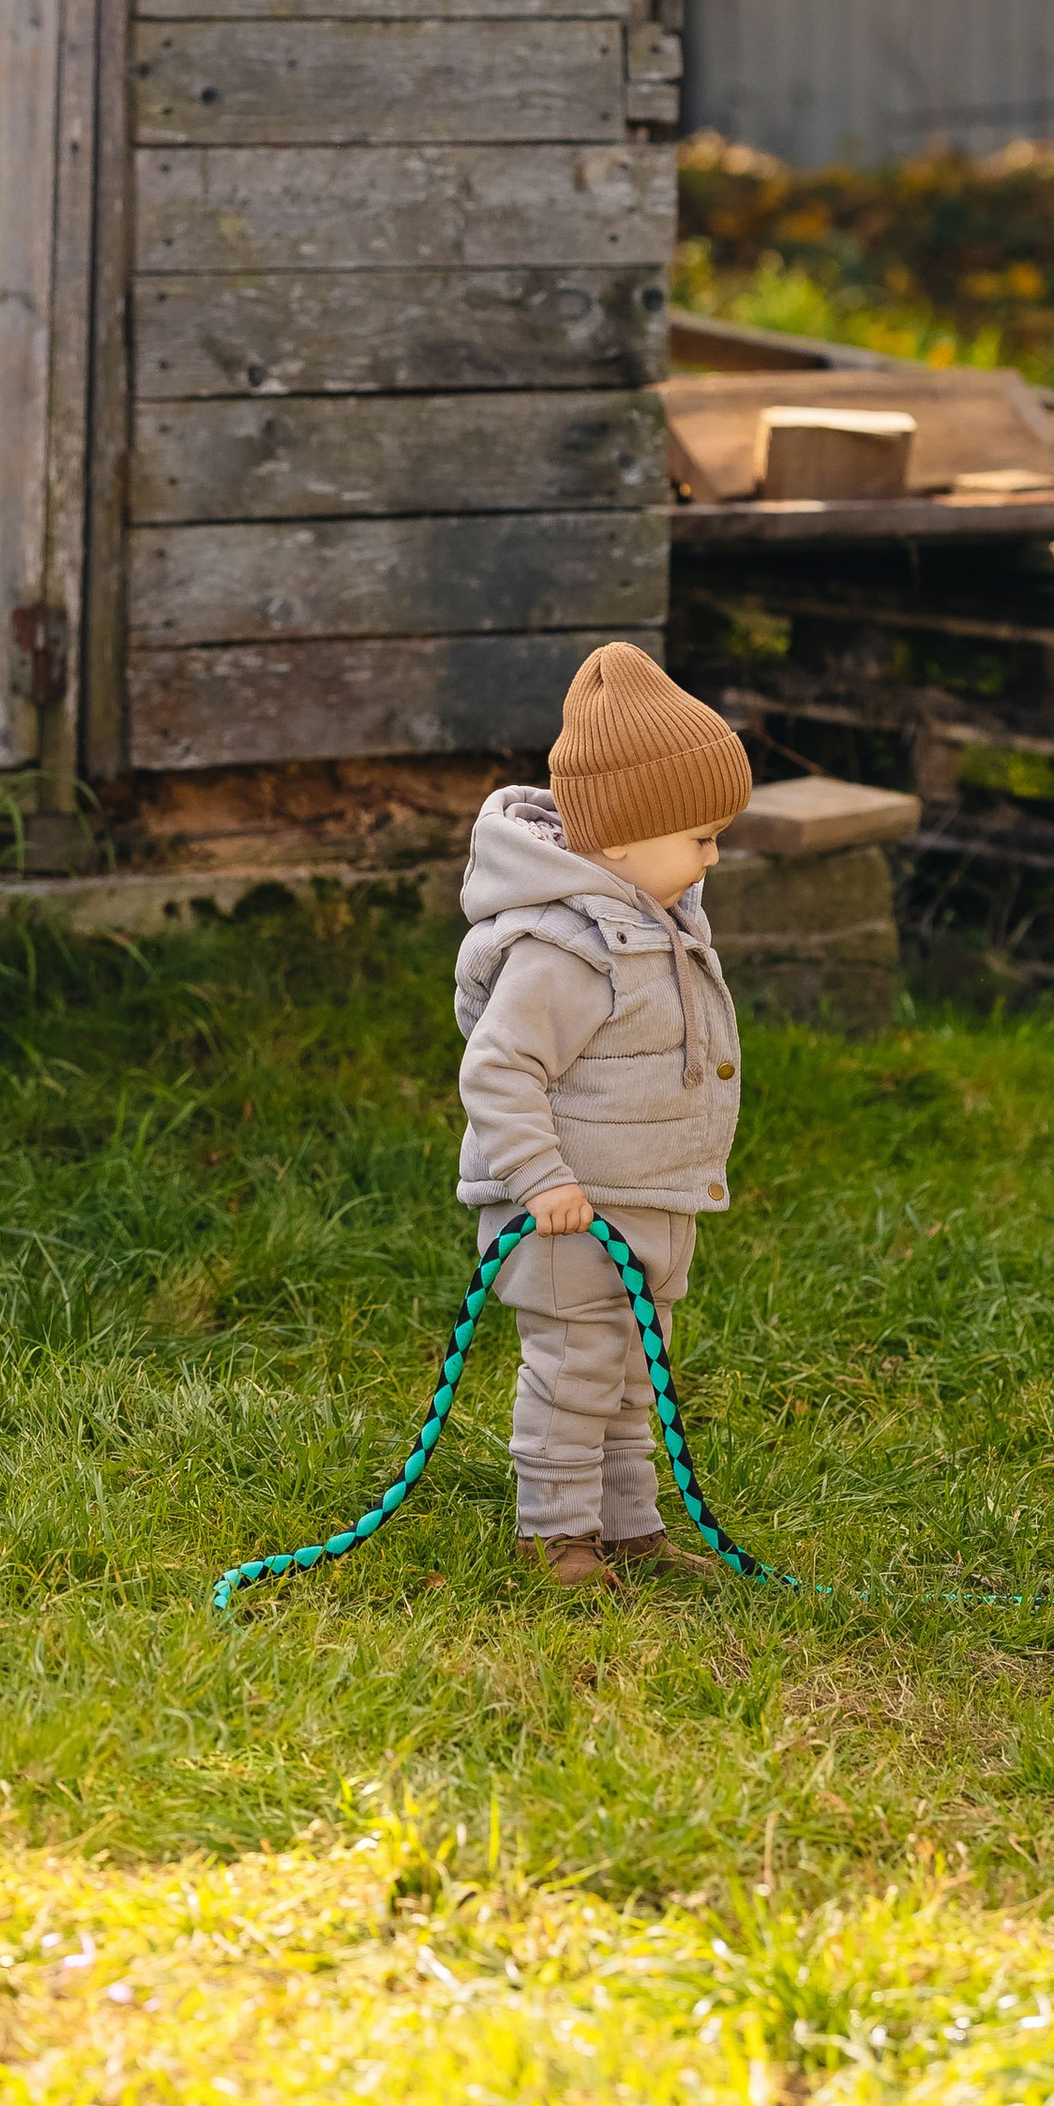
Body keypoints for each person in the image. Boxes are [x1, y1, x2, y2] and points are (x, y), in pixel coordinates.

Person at [454, 641, 753, 1586]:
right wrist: (542, 1181)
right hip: (570, 1213)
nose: (715, 854)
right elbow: (499, 1068)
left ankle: (629, 1527)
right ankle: (554, 1534)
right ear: (623, 838)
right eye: (701, 836)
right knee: (576, 1371)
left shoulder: (658, 920)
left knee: (633, 1376)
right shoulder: (567, 950)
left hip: (651, 1202)